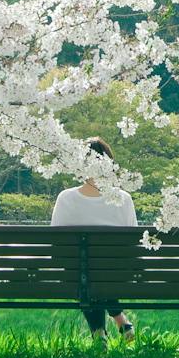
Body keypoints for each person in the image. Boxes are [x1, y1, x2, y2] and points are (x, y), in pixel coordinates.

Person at [50, 137, 136, 344]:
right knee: (98, 271)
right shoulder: (123, 199)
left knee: (84, 270)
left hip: (74, 274)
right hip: (116, 274)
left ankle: (99, 333)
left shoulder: (65, 198)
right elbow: (133, 243)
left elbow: (55, 244)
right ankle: (120, 320)